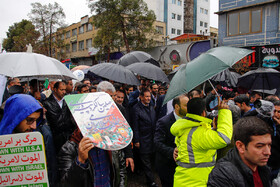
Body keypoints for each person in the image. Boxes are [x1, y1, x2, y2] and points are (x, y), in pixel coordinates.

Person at [170, 97, 232, 186]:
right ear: (203, 113)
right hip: (197, 182)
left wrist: (213, 129)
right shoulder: (200, 134)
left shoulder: (184, 127)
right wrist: (224, 112)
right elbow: (224, 138)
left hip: (182, 180)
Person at [0, 94, 57, 186]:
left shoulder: (39, 137)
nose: (34, 126)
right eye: (30, 120)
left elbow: (50, 170)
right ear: (16, 117)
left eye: (36, 120)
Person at [208, 116, 272, 186]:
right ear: (240, 146)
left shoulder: (263, 169)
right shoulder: (222, 174)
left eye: (269, 145)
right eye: (259, 146)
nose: (268, 152)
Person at [154, 94, 189, 187]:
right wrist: (171, 151)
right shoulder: (163, 122)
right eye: (186, 105)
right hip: (167, 165)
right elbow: (157, 142)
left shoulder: (189, 120)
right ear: (177, 106)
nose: (189, 108)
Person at [132, 88, 158, 187]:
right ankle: (150, 181)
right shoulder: (136, 109)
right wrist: (137, 140)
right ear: (141, 97)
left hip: (152, 138)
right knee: (146, 161)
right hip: (143, 139)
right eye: (146, 96)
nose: (148, 98)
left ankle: (152, 178)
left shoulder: (151, 107)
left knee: (150, 160)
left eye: (149, 96)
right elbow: (135, 126)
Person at [43, 81, 76, 153]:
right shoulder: (47, 103)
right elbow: (54, 122)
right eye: (61, 90)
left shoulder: (68, 101)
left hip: (69, 137)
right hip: (56, 139)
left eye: (65, 90)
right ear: (55, 89)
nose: (64, 92)